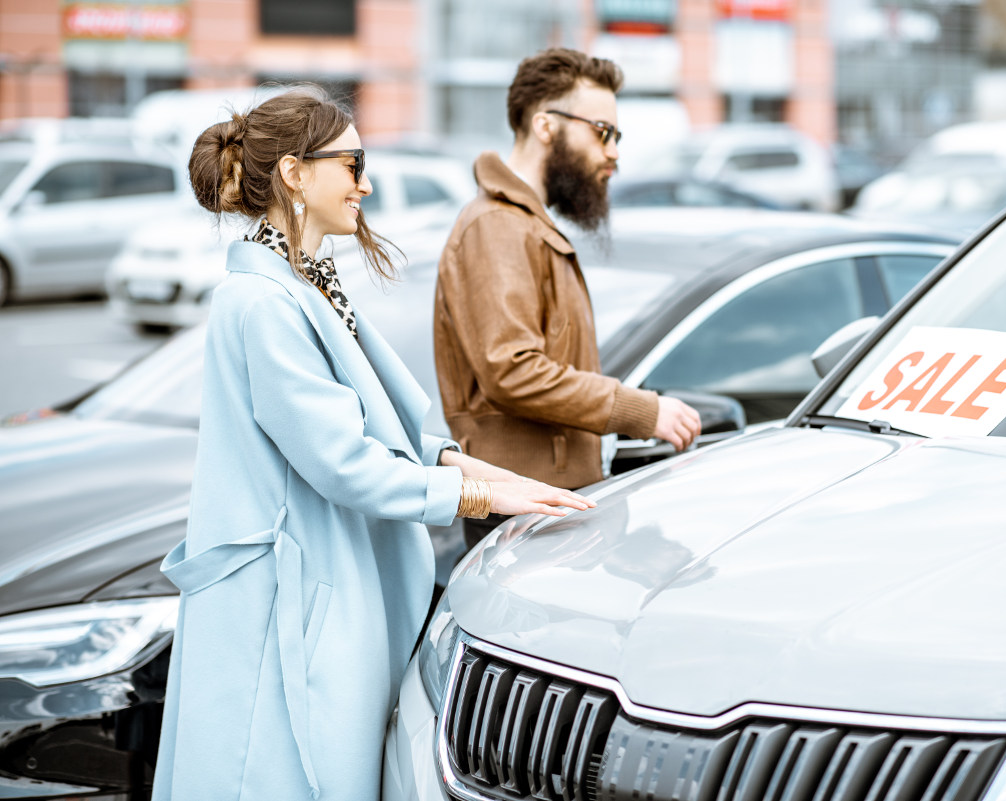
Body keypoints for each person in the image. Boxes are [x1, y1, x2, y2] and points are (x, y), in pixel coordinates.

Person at [152, 88, 593, 801]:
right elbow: (344, 461)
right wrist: (479, 491)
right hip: (280, 613)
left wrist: (486, 477)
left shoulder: (304, 283)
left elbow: (393, 433)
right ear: (294, 174)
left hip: (315, 594)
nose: (367, 181)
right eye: (352, 163)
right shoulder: (265, 301)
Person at [434, 48, 702, 548]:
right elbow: (512, 371)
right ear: (545, 126)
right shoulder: (497, 225)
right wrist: (644, 411)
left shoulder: (523, 223)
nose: (614, 152)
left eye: (616, 136)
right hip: (523, 508)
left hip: (545, 501)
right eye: (603, 132)